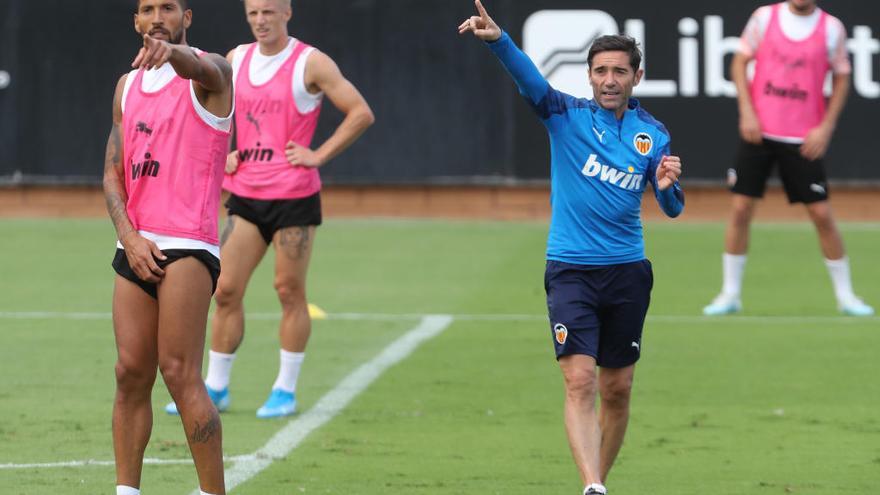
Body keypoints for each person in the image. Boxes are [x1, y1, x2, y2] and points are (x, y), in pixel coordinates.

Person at [459, 2, 684, 494]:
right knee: (580, 381)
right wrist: (499, 40)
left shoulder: (654, 134)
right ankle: (593, 488)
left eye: (619, 71)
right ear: (588, 76)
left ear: (636, 77)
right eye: (600, 70)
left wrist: (666, 185)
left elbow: (671, 207)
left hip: (627, 272)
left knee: (617, 389)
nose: (609, 79)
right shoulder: (564, 114)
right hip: (571, 270)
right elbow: (530, 82)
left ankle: (598, 478)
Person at [165, 0, 374, 419]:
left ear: (287, 13)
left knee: (288, 291)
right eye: (253, 13)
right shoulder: (235, 60)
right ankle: (217, 387)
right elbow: (210, 112)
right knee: (224, 289)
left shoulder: (310, 63)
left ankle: (285, 389)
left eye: (268, 12)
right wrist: (223, 152)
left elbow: (360, 113)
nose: (261, 20)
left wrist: (318, 155)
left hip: (294, 198)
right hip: (246, 194)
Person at [102, 1, 233, 494]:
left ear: (187, 17)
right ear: (135, 21)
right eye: (147, 9)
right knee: (129, 372)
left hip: (188, 246)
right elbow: (112, 171)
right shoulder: (126, 86)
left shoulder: (213, 71)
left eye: (168, 8)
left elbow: (199, 66)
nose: (157, 16)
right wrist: (129, 236)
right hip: (135, 244)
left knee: (179, 373)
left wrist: (172, 53)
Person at [703, 0, 874, 317]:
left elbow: (842, 77)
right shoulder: (764, 18)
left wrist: (825, 127)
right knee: (741, 208)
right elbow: (740, 62)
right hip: (759, 132)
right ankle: (730, 294)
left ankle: (846, 297)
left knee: (822, 214)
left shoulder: (831, 28)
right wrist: (747, 111)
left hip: (803, 138)